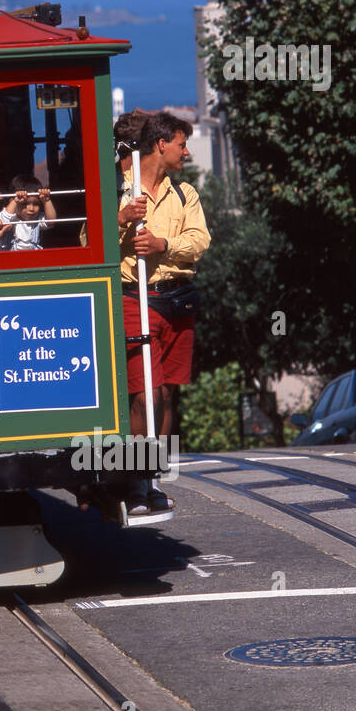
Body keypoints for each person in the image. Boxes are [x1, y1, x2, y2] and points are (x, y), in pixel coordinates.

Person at [118, 111, 210, 512]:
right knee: (145, 394)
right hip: (135, 298)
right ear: (160, 145)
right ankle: (135, 483)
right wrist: (120, 219)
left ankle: (153, 478)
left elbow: (199, 240)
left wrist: (162, 246)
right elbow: (87, 238)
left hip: (177, 299)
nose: (185, 152)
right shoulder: (117, 188)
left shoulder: (185, 193)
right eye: (181, 144)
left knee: (168, 394)